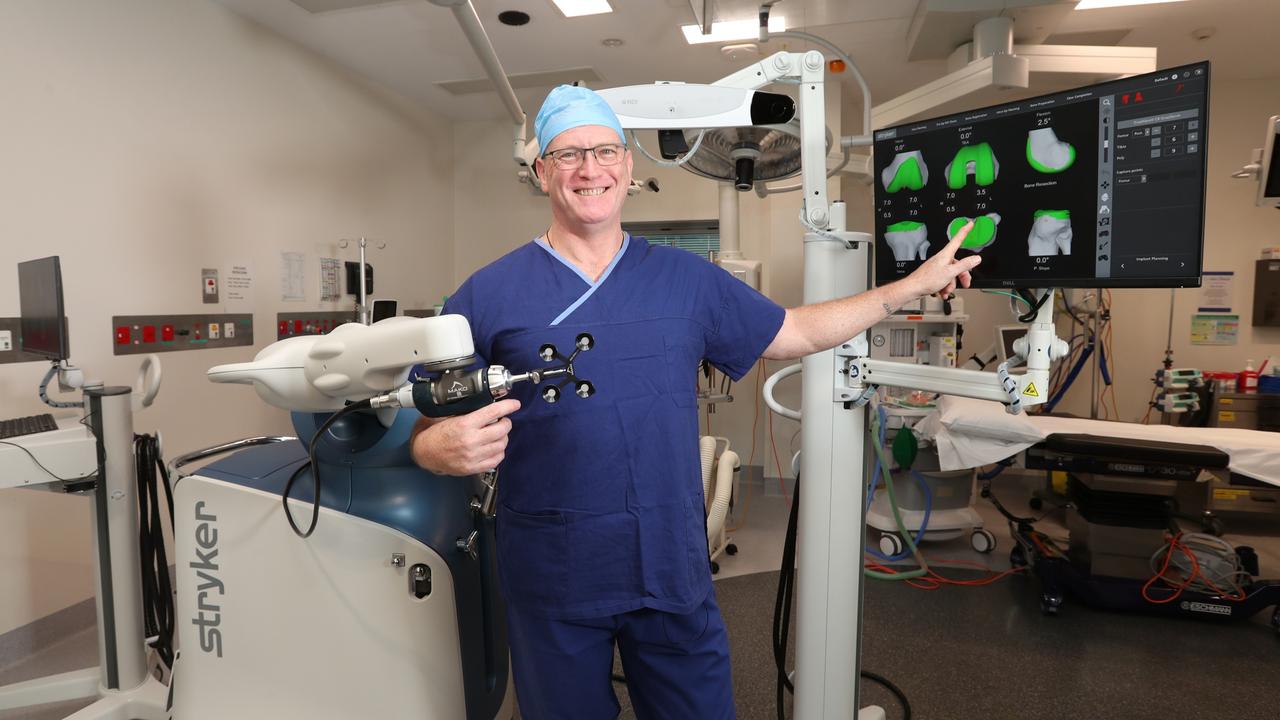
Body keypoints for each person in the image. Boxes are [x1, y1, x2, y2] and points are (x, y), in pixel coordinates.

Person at [410, 85, 980, 719]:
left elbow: (792, 331)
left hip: (668, 563)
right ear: (542, 171)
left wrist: (908, 288)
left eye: (604, 151)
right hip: (554, 571)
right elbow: (422, 411)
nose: (589, 170)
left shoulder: (688, 279)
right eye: (568, 155)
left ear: (627, 166)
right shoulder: (487, 294)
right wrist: (436, 446)